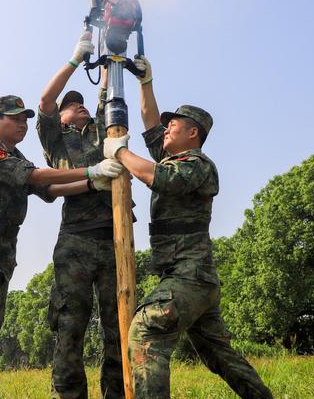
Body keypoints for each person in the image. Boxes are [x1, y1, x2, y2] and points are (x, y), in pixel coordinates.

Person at [103, 58, 273, 398]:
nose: (166, 131)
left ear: (192, 133)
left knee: (145, 333)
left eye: (174, 126)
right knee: (218, 355)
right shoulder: (171, 156)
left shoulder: (198, 164)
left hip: (189, 276)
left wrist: (121, 153)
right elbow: (151, 123)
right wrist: (145, 81)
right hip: (193, 278)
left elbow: (157, 178)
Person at [0, 95, 122, 399]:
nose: (22, 124)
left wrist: (93, 184)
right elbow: (37, 176)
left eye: (24, 118)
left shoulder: (18, 158)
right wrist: (91, 172)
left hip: (0, 255)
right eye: (14, 118)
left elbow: (49, 188)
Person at [36, 32, 124, 398]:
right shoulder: (56, 139)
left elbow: (107, 91)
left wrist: (110, 51)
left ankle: (118, 393)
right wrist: (75, 60)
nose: (80, 106)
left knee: (117, 325)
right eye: (72, 105)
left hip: (114, 234)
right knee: (71, 323)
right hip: (75, 239)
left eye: (82, 103)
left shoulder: (103, 130)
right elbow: (45, 101)